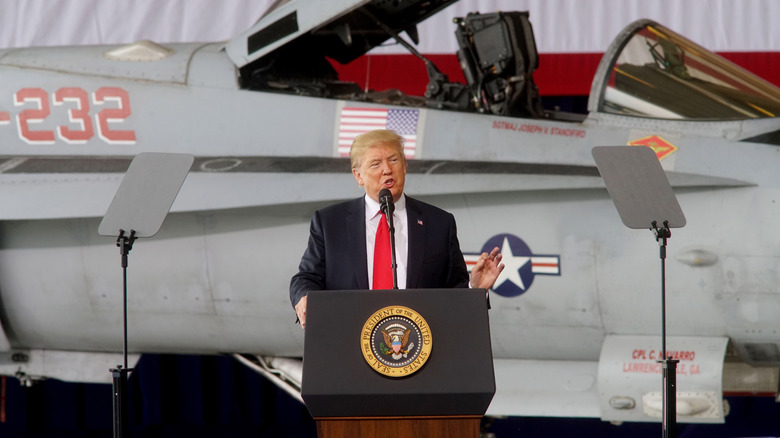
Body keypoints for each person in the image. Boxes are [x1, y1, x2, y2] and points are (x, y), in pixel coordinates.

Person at [289, 129, 504, 328]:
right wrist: (304, 298)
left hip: (419, 351)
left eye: (394, 160)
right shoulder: (330, 222)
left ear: (404, 166)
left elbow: (452, 291)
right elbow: (306, 277)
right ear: (358, 176)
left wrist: (474, 291)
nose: (387, 169)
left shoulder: (439, 223)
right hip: (349, 343)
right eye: (375, 164)